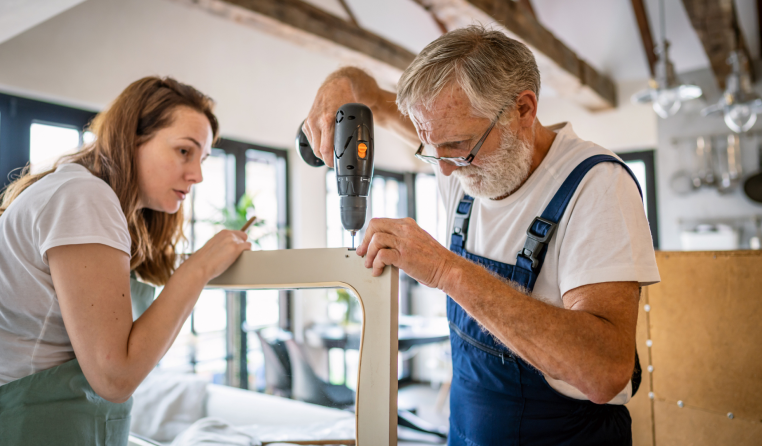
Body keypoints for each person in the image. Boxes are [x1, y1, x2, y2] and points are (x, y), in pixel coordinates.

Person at [303, 26, 660, 445]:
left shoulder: (596, 185)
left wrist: (446, 271)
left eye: (459, 146)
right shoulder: (459, 161)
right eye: (431, 148)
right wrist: (339, 84)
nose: (448, 170)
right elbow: (366, 94)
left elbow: (604, 371)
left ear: (523, 109)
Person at [0, 77, 251, 445]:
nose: (197, 174)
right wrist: (198, 269)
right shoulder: (84, 196)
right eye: (184, 151)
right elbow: (114, 377)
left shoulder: (79, 193)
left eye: (203, 159)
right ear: (132, 138)